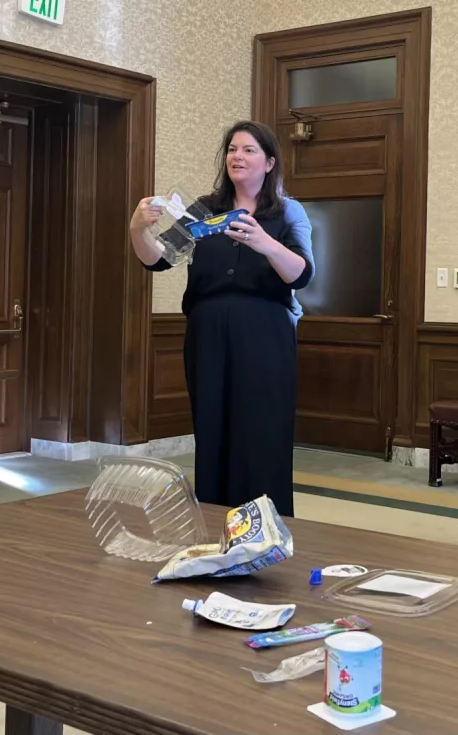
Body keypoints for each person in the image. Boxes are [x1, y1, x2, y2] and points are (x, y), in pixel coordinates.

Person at [129, 120, 315, 517]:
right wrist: (137, 230)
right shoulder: (203, 209)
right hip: (207, 333)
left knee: (261, 432)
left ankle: (267, 525)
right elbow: (158, 259)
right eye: (232, 149)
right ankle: (215, 521)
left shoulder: (287, 212)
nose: (237, 156)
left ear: (269, 162)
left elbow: (301, 272)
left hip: (265, 336)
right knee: (212, 429)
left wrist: (262, 242)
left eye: (249, 150)